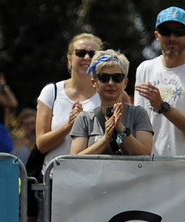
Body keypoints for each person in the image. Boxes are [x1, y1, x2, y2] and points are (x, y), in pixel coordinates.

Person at [134, 6, 185, 156]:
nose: (172, 38)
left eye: (178, 32)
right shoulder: (145, 69)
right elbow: (140, 126)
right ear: (157, 35)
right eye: (166, 32)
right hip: (152, 169)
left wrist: (163, 106)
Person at [35, 32, 103, 173]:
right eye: (80, 53)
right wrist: (68, 125)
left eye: (93, 54)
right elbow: (41, 144)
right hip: (55, 179)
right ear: (69, 59)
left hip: (95, 182)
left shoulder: (107, 94)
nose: (86, 58)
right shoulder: (51, 92)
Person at [70, 51, 153, 156]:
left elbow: (145, 154)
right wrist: (105, 139)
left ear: (125, 83)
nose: (110, 83)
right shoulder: (84, 119)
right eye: (103, 77)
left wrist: (121, 130)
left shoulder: (138, 114)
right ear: (93, 83)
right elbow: (75, 159)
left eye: (117, 78)